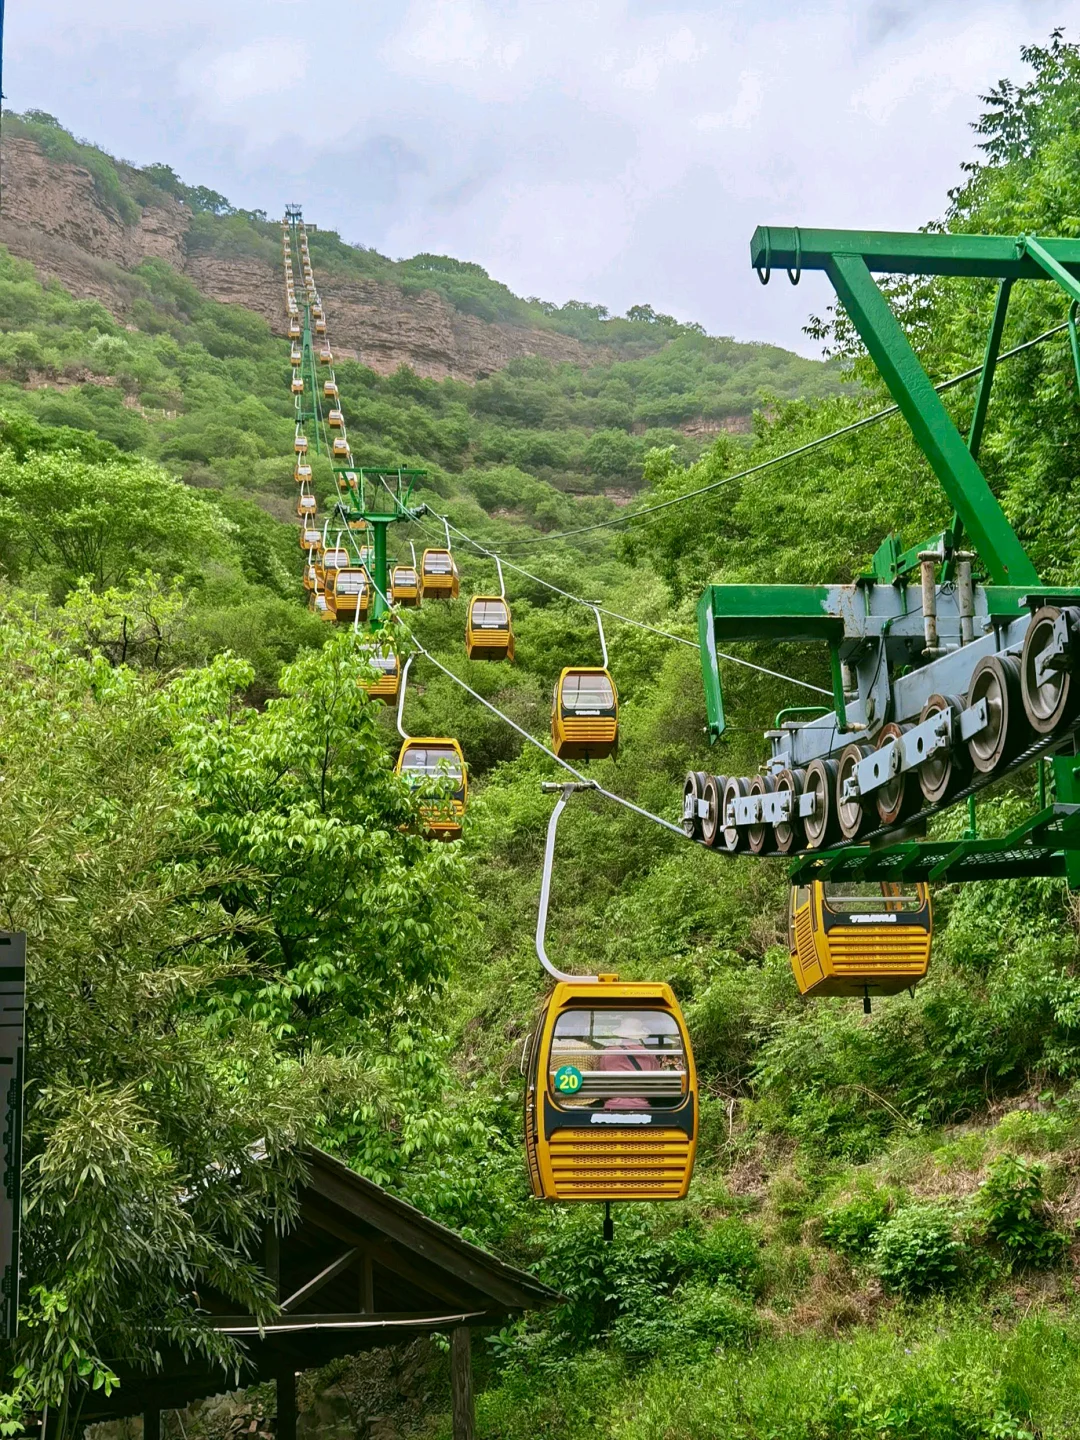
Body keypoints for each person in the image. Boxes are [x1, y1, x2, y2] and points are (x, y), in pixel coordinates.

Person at [602, 1012, 660, 1110]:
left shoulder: (608, 1052)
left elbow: (602, 1082)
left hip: (612, 1107)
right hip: (642, 1107)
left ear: (621, 1034)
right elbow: (657, 1082)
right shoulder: (649, 1054)